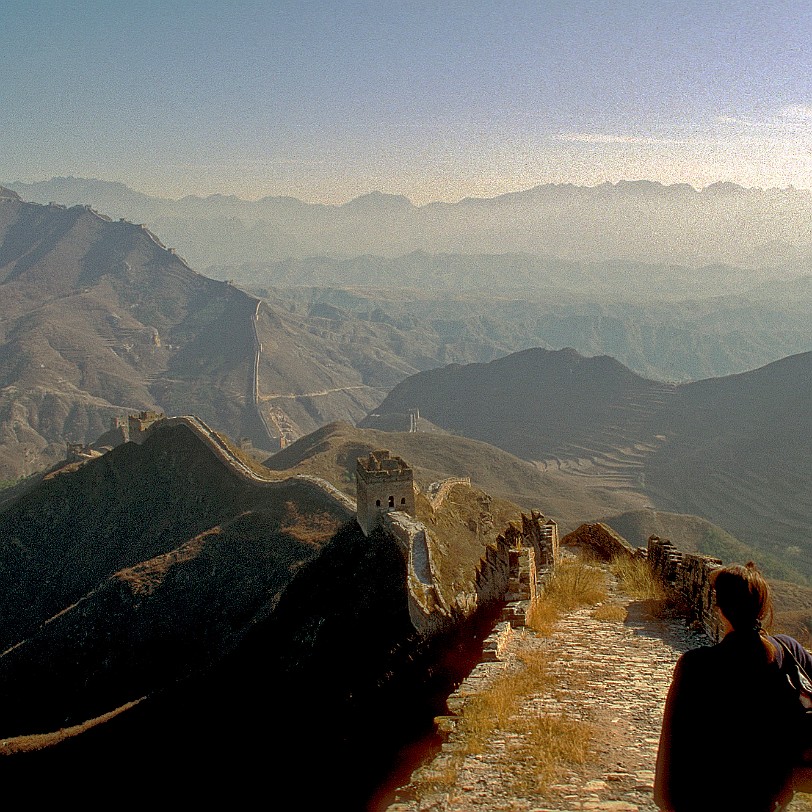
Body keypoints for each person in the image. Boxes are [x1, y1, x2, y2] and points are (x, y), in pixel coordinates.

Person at [654, 561, 812, 812]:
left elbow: (673, 749)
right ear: (762, 608)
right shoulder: (789, 652)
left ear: (718, 608)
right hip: (769, 798)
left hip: (707, 799)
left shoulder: (696, 666)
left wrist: (667, 802)